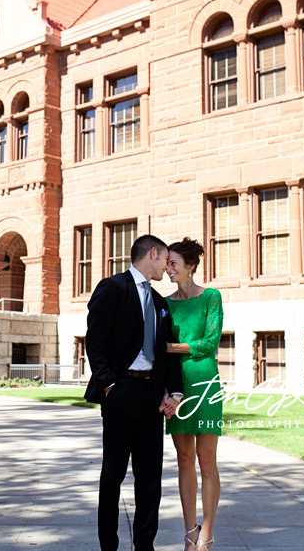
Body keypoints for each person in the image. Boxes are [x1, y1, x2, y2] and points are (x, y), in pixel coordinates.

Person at [85, 234, 184, 551]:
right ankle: (108, 546)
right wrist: (109, 384)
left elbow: (166, 351)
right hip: (120, 392)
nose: (167, 267)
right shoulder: (113, 288)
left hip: (152, 398)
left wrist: (174, 392)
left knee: (150, 478)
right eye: (165, 259)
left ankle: (145, 545)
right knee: (113, 474)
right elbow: (95, 340)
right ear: (152, 254)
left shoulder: (159, 302)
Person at [164, 238, 224, 550]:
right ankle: (190, 533)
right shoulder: (166, 303)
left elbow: (210, 343)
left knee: (206, 460)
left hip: (205, 384)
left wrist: (171, 348)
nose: (167, 269)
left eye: (173, 263)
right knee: (184, 460)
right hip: (177, 388)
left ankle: (207, 535)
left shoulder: (211, 297)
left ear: (190, 266)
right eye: (167, 263)